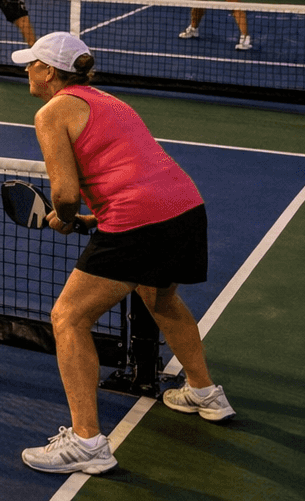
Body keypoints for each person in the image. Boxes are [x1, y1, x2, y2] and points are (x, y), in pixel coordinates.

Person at [13, 32, 233, 475]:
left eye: (32, 63)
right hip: (185, 208)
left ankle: (87, 443)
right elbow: (131, 173)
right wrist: (88, 218)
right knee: (159, 297)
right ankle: (205, 393)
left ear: (50, 72)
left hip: (140, 220)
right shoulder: (109, 102)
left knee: (69, 318)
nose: (27, 70)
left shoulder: (51, 112)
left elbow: (66, 194)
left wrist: (65, 217)